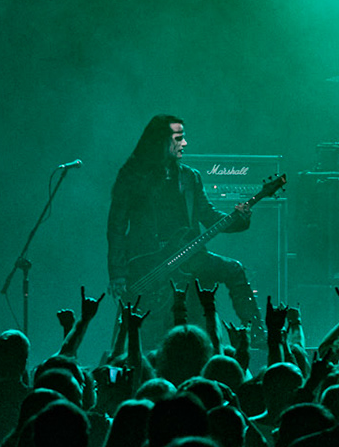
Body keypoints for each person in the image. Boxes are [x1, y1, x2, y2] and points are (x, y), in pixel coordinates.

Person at [106, 114, 257, 321]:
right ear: (160, 141)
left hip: (189, 256)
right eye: (178, 138)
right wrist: (117, 273)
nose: (184, 143)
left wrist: (240, 219)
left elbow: (209, 215)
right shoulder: (132, 177)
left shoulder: (190, 177)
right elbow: (116, 227)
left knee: (234, 269)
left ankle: (256, 332)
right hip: (149, 262)